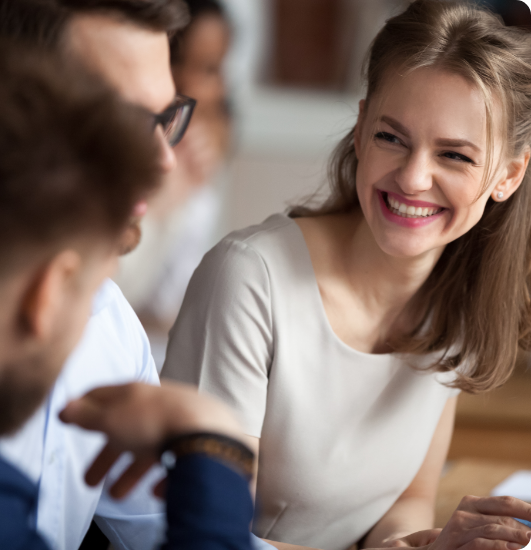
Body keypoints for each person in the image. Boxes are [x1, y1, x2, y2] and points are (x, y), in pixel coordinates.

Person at [162, 0, 531, 549]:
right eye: (391, 137)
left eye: (454, 155)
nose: (412, 177)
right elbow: (211, 540)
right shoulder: (249, 279)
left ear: (508, 174)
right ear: (360, 131)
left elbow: (403, 504)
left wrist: (418, 545)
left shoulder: (458, 304)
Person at [0, 2, 279, 549]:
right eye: (126, 121)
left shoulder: (108, 320)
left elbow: (163, 529)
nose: (165, 160)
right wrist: (212, 448)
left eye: (167, 119)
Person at [115, 0, 233, 367]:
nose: (217, 88)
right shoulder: (121, 152)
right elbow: (109, 288)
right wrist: (164, 205)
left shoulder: (201, 163)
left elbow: (176, 305)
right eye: (206, 68)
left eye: (218, 68)